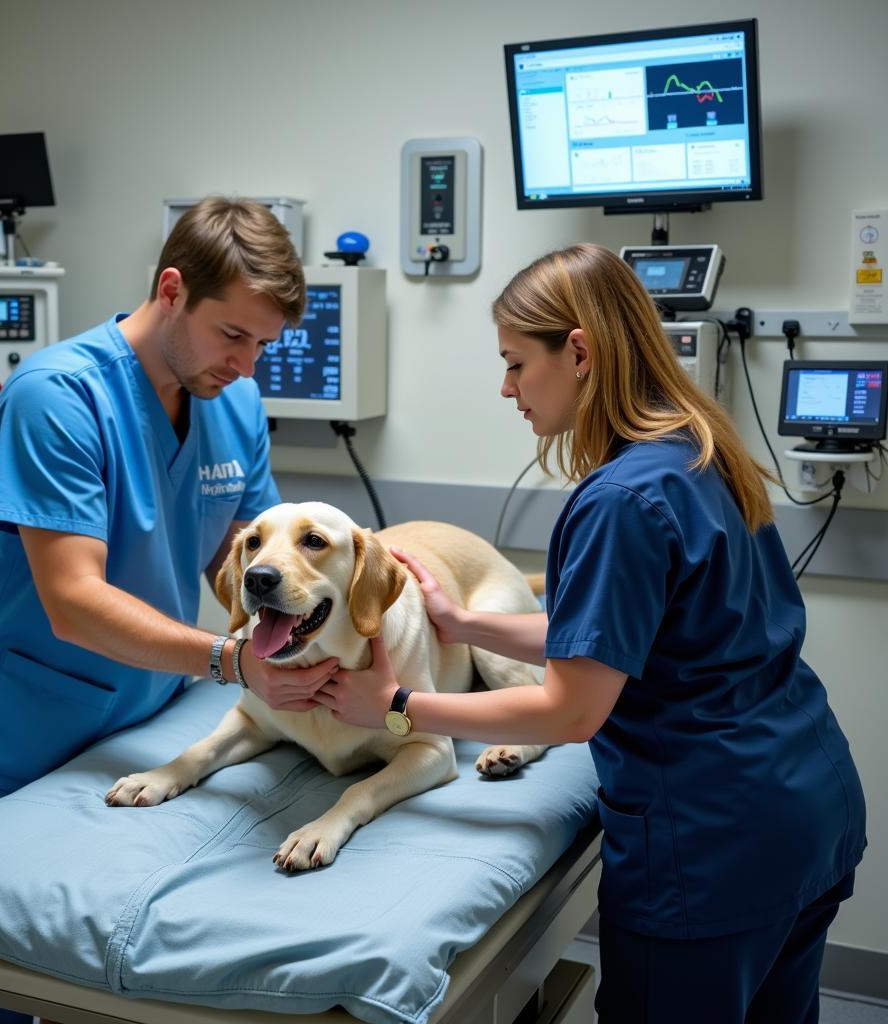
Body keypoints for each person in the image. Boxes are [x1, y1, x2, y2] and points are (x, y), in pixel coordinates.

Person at [315, 243, 867, 1024]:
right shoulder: (700, 450)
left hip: (713, 848)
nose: (505, 388)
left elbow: (569, 713)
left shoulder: (620, 500)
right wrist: (465, 622)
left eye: (514, 363)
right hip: (808, 806)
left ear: (578, 351)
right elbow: (637, 635)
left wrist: (398, 705)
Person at [0, 197, 337, 1024]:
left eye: (264, 345)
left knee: (108, 986)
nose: (247, 367)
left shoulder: (236, 405)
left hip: (141, 723)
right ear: (173, 288)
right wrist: (232, 663)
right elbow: (74, 601)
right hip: (15, 743)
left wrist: (334, 628)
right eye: (233, 336)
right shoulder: (58, 398)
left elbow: (251, 562)